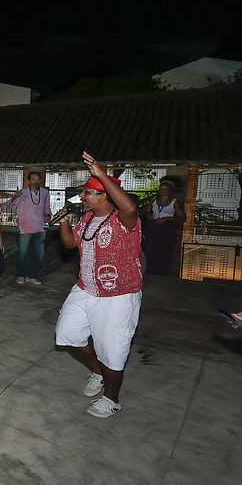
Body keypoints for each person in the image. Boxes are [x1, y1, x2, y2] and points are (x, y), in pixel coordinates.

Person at [55, 151, 143, 419]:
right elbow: (71, 245)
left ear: (103, 194)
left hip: (118, 296)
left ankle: (112, 399)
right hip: (85, 288)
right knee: (67, 333)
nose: (82, 196)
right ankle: (97, 371)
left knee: (113, 351)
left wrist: (101, 174)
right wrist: (64, 224)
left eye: (87, 193)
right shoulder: (86, 219)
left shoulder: (124, 221)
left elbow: (130, 208)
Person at [7, 171, 52, 285]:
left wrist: (48, 215)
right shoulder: (23, 192)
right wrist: (15, 196)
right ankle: (21, 275)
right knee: (23, 253)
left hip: (41, 227)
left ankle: (32, 275)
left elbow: (47, 208)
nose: (36, 182)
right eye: (33, 179)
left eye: (38, 180)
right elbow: (10, 206)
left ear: (40, 180)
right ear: (28, 181)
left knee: (39, 254)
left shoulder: (45, 192)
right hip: (25, 228)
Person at [142, 179, 186, 276]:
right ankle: (150, 273)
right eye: (161, 189)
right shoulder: (154, 199)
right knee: (151, 250)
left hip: (167, 228)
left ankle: (162, 274)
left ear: (170, 190)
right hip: (153, 227)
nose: (162, 191)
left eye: (165, 189)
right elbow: (146, 211)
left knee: (164, 251)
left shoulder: (174, 202)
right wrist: (148, 215)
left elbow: (182, 218)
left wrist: (167, 219)